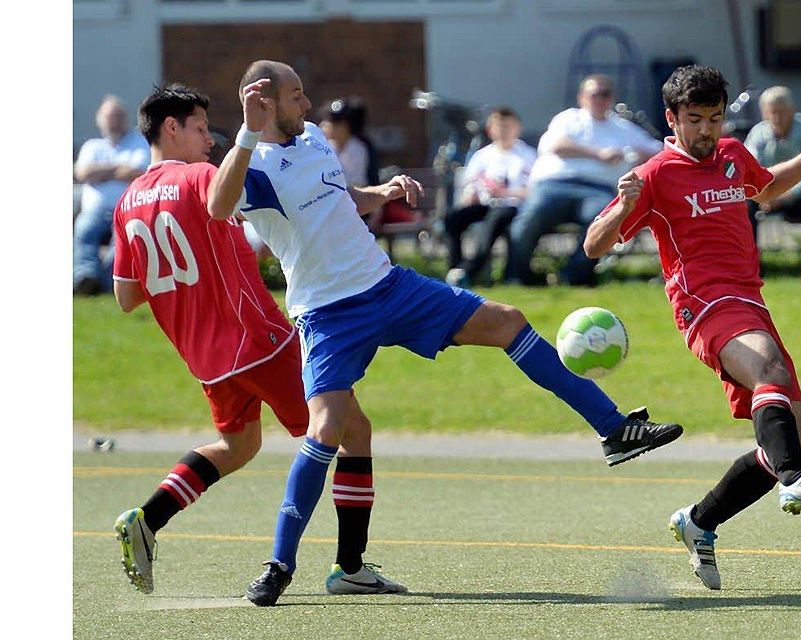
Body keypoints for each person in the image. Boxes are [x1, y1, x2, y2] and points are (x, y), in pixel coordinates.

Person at [206, 60, 684, 606]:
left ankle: (614, 428)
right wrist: (245, 131)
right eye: (295, 96)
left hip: (389, 287)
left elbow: (336, 200)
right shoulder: (253, 165)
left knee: (509, 322)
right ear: (262, 103)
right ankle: (279, 565)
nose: (307, 104)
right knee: (328, 428)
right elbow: (218, 207)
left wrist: (380, 191)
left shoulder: (313, 138)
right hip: (328, 316)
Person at [583, 65, 801, 591]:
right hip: (703, 307)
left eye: (715, 117)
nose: (707, 130)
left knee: (787, 441)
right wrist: (622, 205)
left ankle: (700, 521)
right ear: (672, 119)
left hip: (750, 303)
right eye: (695, 119)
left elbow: (764, 188)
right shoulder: (654, 175)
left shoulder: (734, 154)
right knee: (770, 372)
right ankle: (795, 483)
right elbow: (593, 246)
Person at [108, 83, 390, 600]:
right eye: (197, 128)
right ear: (170, 128)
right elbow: (234, 211)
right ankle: (349, 566)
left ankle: (147, 519)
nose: (207, 141)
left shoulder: (127, 202)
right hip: (259, 338)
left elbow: (127, 296)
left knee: (239, 447)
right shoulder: (201, 178)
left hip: (206, 359)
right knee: (354, 433)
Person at [504, 74, 662, 286]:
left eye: (604, 94)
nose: (599, 99)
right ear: (582, 97)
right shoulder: (568, 119)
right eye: (593, 94)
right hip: (554, 185)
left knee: (602, 220)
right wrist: (599, 154)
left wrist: (635, 153)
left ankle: (573, 276)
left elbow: (657, 151)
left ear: (611, 98)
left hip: (598, 190)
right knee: (530, 216)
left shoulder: (623, 128)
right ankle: (517, 276)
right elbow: (556, 145)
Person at [744, 86, 801, 281]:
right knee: (744, 205)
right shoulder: (757, 134)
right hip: (769, 196)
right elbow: (750, 171)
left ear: (792, 110)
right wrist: (767, 194)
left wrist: (788, 194)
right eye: (772, 112)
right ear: (764, 113)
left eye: (781, 112)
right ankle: (750, 270)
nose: (776, 117)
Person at [443, 106, 536, 287]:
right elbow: (471, 184)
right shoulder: (482, 155)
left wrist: (506, 193)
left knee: (495, 220)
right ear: (490, 129)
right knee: (452, 219)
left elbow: (534, 190)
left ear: (518, 128)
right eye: (499, 127)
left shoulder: (528, 155)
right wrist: (470, 196)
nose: (504, 131)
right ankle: (456, 267)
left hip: (513, 206)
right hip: (485, 204)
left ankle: (470, 268)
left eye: (508, 126)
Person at [74, 95, 150, 295]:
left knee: (121, 242)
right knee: (84, 230)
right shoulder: (92, 146)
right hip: (95, 210)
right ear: (99, 119)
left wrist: (100, 173)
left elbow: (139, 171)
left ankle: (108, 283)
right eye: (109, 116)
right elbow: (83, 173)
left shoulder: (140, 142)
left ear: (125, 117)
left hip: (127, 210)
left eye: (117, 115)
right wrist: (118, 169)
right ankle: (85, 277)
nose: (113, 120)